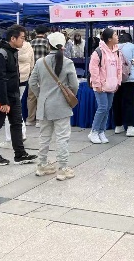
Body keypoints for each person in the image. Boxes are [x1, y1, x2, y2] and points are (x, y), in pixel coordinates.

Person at [29, 32, 79, 180]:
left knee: (44, 137)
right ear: (63, 46)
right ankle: (63, 168)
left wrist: (40, 95)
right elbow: (74, 85)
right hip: (61, 105)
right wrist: (69, 95)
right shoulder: (68, 62)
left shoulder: (40, 62)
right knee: (62, 137)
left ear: (48, 45)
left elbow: (32, 82)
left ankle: (42, 165)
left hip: (44, 105)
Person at [0, 25, 37, 166]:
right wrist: (3, 101)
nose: (23, 41)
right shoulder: (0, 54)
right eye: (22, 38)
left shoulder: (12, 51)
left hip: (13, 94)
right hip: (2, 96)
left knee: (16, 123)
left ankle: (20, 154)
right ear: (13, 38)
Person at [0, 33, 34, 149]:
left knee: (8, 108)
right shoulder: (28, 46)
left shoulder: (10, 48)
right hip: (24, 79)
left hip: (11, 79)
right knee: (16, 106)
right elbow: (32, 63)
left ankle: (11, 138)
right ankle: (21, 133)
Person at [88, 28, 122, 144]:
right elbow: (93, 69)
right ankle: (94, 131)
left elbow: (119, 68)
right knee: (102, 107)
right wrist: (97, 83)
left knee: (107, 108)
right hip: (101, 85)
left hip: (112, 85)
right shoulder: (98, 51)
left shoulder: (117, 51)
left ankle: (101, 131)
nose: (117, 37)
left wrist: (118, 82)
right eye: (115, 35)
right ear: (109, 39)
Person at [112, 33, 134, 137]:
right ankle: (130, 127)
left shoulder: (114, 46)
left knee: (116, 102)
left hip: (115, 78)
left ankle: (118, 125)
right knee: (129, 103)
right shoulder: (132, 46)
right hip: (129, 77)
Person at [26, 25, 50, 127]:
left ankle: (30, 119)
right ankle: (39, 120)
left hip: (32, 72)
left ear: (36, 32)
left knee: (31, 97)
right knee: (42, 96)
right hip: (44, 72)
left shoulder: (30, 43)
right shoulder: (47, 43)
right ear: (45, 33)